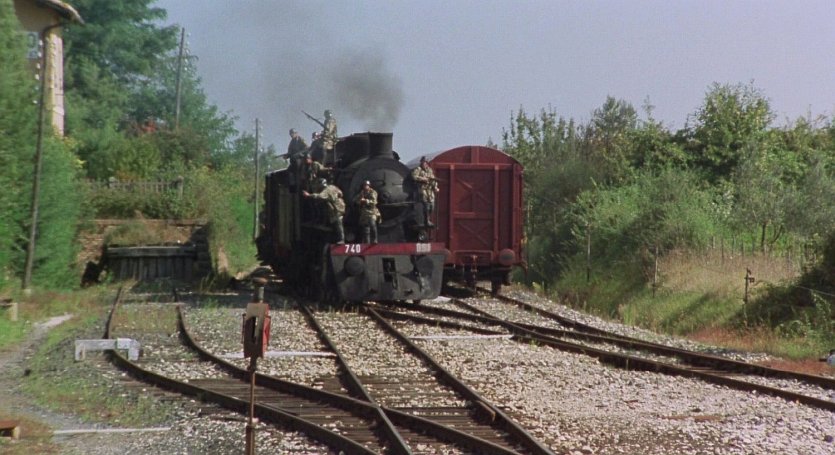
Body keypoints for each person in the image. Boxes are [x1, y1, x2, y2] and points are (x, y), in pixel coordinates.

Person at [303, 178, 345, 244]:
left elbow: (320, 196)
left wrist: (309, 195)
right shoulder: (332, 187)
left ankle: (341, 239)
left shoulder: (326, 191)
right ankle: (339, 238)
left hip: (336, 210)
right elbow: (341, 193)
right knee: (336, 223)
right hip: (340, 207)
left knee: (337, 224)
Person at [411, 156, 439, 226]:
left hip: (430, 190)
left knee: (432, 206)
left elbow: (433, 179)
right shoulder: (418, 169)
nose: (424, 164)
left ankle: (428, 218)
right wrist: (423, 179)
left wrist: (435, 187)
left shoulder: (429, 170)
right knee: (426, 206)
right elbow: (414, 176)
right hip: (422, 189)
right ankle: (426, 220)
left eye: (425, 162)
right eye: (423, 162)